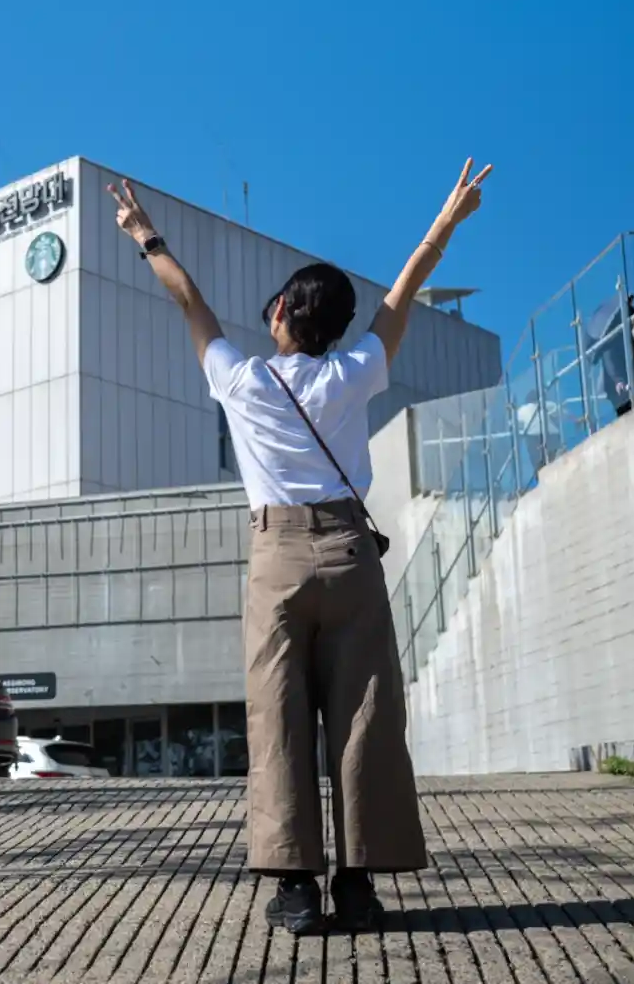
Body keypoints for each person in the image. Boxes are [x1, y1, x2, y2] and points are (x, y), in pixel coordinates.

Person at [109, 157, 491, 935]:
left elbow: (192, 301)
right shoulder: (356, 371)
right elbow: (405, 289)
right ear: (336, 326)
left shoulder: (245, 381)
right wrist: (447, 219)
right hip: (351, 556)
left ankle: (292, 887)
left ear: (282, 311)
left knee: (277, 720)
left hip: (278, 559)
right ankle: (357, 883)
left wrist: (144, 233)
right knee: (363, 717)